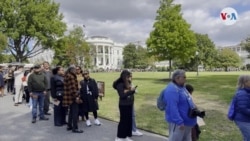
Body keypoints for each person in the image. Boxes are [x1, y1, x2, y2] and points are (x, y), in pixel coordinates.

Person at [163, 69, 197, 141]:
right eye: (184, 77)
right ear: (177, 78)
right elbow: (172, 107)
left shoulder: (182, 87)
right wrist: (179, 121)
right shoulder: (172, 90)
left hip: (187, 123)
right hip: (179, 124)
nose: (186, 79)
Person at [113, 70, 136, 141]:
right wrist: (130, 91)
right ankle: (119, 136)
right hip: (123, 105)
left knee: (128, 121)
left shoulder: (128, 83)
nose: (129, 78)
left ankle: (126, 136)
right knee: (123, 121)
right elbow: (122, 95)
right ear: (125, 76)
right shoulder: (120, 84)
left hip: (129, 104)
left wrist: (132, 90)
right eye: (128, 76)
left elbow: (129, 92)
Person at [62, 66, 83, 133]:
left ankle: (69, 126)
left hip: (68, 97)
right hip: (72, 97)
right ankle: (75, 128)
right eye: (74, 69)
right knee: (75, 113)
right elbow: (73, 89)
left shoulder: (66, 76)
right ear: (72, 70)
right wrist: (76, 97)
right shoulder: (71, 77)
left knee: (71, 112)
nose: (76, 71)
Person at [233, 75, 250, 141]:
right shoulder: (242, 93)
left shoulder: (247, 91)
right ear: (245, 82)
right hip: (242, 120)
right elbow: (243, 109)